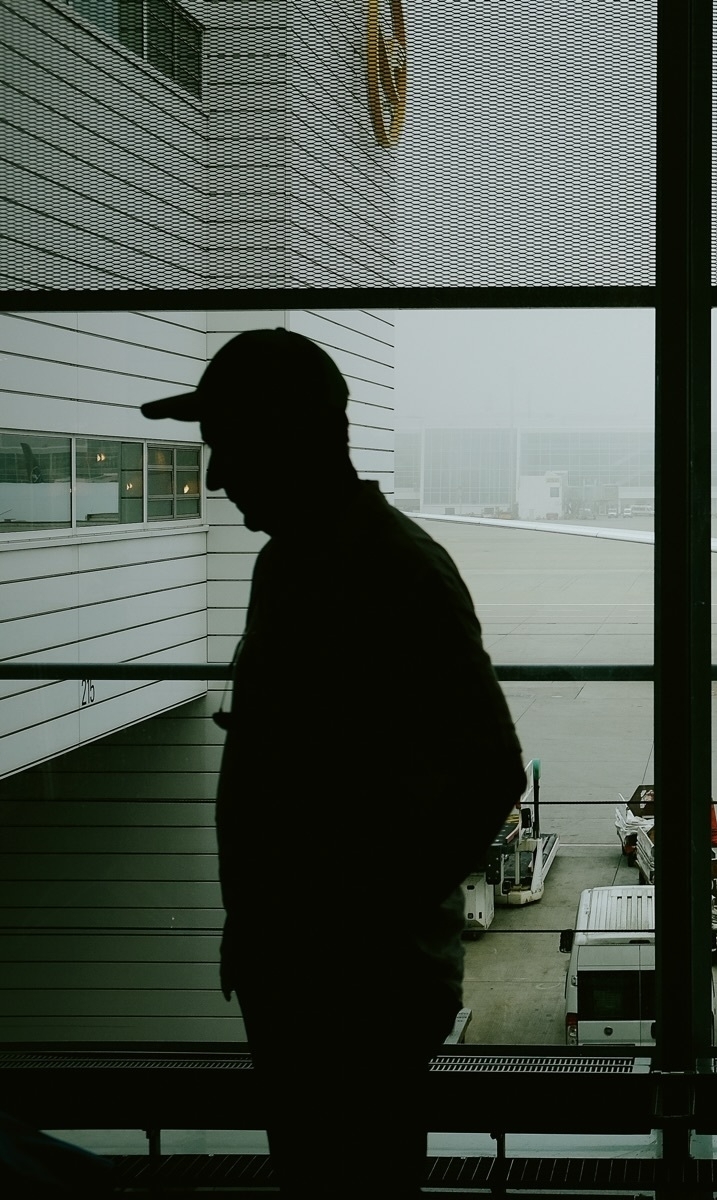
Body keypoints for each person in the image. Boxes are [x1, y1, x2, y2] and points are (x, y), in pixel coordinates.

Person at [143, 328, 525, 1195]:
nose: (216, 477)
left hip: (350, 989)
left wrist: (354, 924)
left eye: (227, 445)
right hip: (314, 975)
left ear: (289, 437)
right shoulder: (302, 563)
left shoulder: (384, 571)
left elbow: (489, 769)